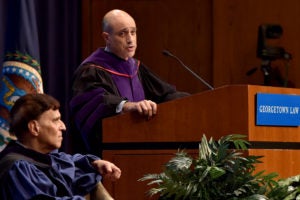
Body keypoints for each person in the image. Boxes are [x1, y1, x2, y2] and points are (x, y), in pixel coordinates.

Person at [70, 9, 189, 155]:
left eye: (133, 32)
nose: (130, 39)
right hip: (107, 157)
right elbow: (95, 103)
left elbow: (165, 95)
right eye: (122, 33)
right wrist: (127, 106)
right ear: (107, 37)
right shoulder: (91, 70)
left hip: (140, 150)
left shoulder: (137, 67)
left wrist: (196, 101)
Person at [0, 93, 121, 200]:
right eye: (55, 120)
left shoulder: (43, 156)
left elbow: (69, 161)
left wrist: (94, 162)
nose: (63, 127)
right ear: (34, 127)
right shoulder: (16, 168)